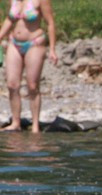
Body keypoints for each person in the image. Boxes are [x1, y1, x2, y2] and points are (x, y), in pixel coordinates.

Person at [0, 0, 58, 133]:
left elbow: (50, 23)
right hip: (14, 43)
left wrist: (53, 49)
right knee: (12, 85)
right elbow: (10, 19)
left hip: (35, 43)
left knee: (32, 86)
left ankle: (35, 125)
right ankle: (16, 122)